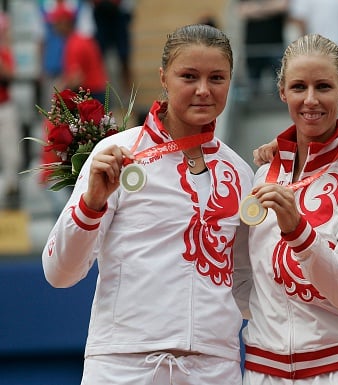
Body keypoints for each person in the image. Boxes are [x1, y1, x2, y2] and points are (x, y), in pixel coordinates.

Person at [41, 23, 254, 385]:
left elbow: (246, 284)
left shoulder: (240, 172)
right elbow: (59, 273)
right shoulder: (116, 157)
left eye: (217, 77)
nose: (204, 90)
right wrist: (92, 204)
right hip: (123, 366)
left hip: (214, 370)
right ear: (163, 78)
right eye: (189, 76)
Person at [240, 33, 338, 385]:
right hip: (265, 372)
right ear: (282, 92)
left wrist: (298, 231)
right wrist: (271, 321)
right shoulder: (263, 174)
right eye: (298, 87)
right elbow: (241, 276)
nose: (310, 100)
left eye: (323, 86)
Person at [49, 4, 107, 102]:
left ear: (64, 23)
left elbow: (76, 78)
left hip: (92, 93)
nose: (54, 27)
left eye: (56, 23)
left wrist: (57, 93)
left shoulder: (75, 44)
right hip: (95, 91)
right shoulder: (79, 39)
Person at [0, 11, 21, 209]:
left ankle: (10, 188)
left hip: (4, 105)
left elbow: (10, 75)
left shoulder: (5, 53)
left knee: (10, 152)